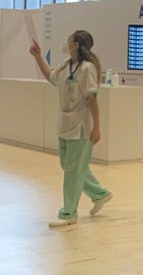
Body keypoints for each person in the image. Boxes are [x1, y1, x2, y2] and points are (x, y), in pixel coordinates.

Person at [29, 31, 113, 229]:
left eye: (69, 40)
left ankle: (69, 213)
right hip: (65, 124)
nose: (66, 43)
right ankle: (99, 193)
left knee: (73, 171)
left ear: (76, 45)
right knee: (69, 166)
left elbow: (92, 99)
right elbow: (51, 77)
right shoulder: (66, 65)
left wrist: (97, 127)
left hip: (81, 127)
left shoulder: (87, 68)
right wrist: (38, 56)